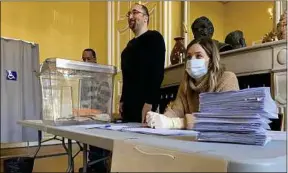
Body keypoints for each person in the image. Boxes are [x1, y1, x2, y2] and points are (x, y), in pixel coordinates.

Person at [146, 37, 240, 129]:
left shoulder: (227, 79)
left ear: (211, 60)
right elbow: (176, 111)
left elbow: (223, 119)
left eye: (199, 56)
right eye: (189, 57)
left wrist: (176, 123)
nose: (192, 61)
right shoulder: (186, 84)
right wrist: (160, 118)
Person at [119, 3, 166, 123]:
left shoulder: (154, 38)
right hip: (128, 106)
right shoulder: (127, 49)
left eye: (134, 12)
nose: (130, 16)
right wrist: (122, 100)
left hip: (146, 104)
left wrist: (149, 102)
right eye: (129, 14)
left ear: (146, 18)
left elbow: (157, 72)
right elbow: (126, 78)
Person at [79, 48, 110, 173]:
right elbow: (83, 98)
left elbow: (103, 100)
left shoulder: (103, 75)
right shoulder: (84, 77)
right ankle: (91, 164)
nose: (86, 61)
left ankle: (99, 166)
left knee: (99, 146)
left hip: (100, 117)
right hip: (88, 117)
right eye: (84, 59)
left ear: (95, 59)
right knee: (90, 144)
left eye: (88, 58)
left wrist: (92, 112)